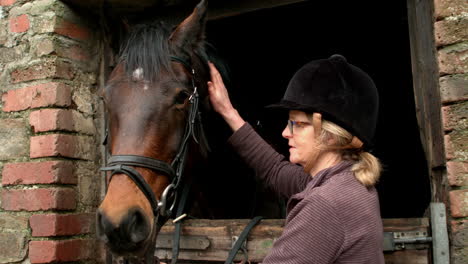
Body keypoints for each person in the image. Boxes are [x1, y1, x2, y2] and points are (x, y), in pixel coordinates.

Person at [207, 54, 384, 263]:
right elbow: (275, 169)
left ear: (329, 135)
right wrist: (228, 111)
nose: (284, 133)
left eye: (297, 124)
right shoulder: (348, 184)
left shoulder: (325, 205)